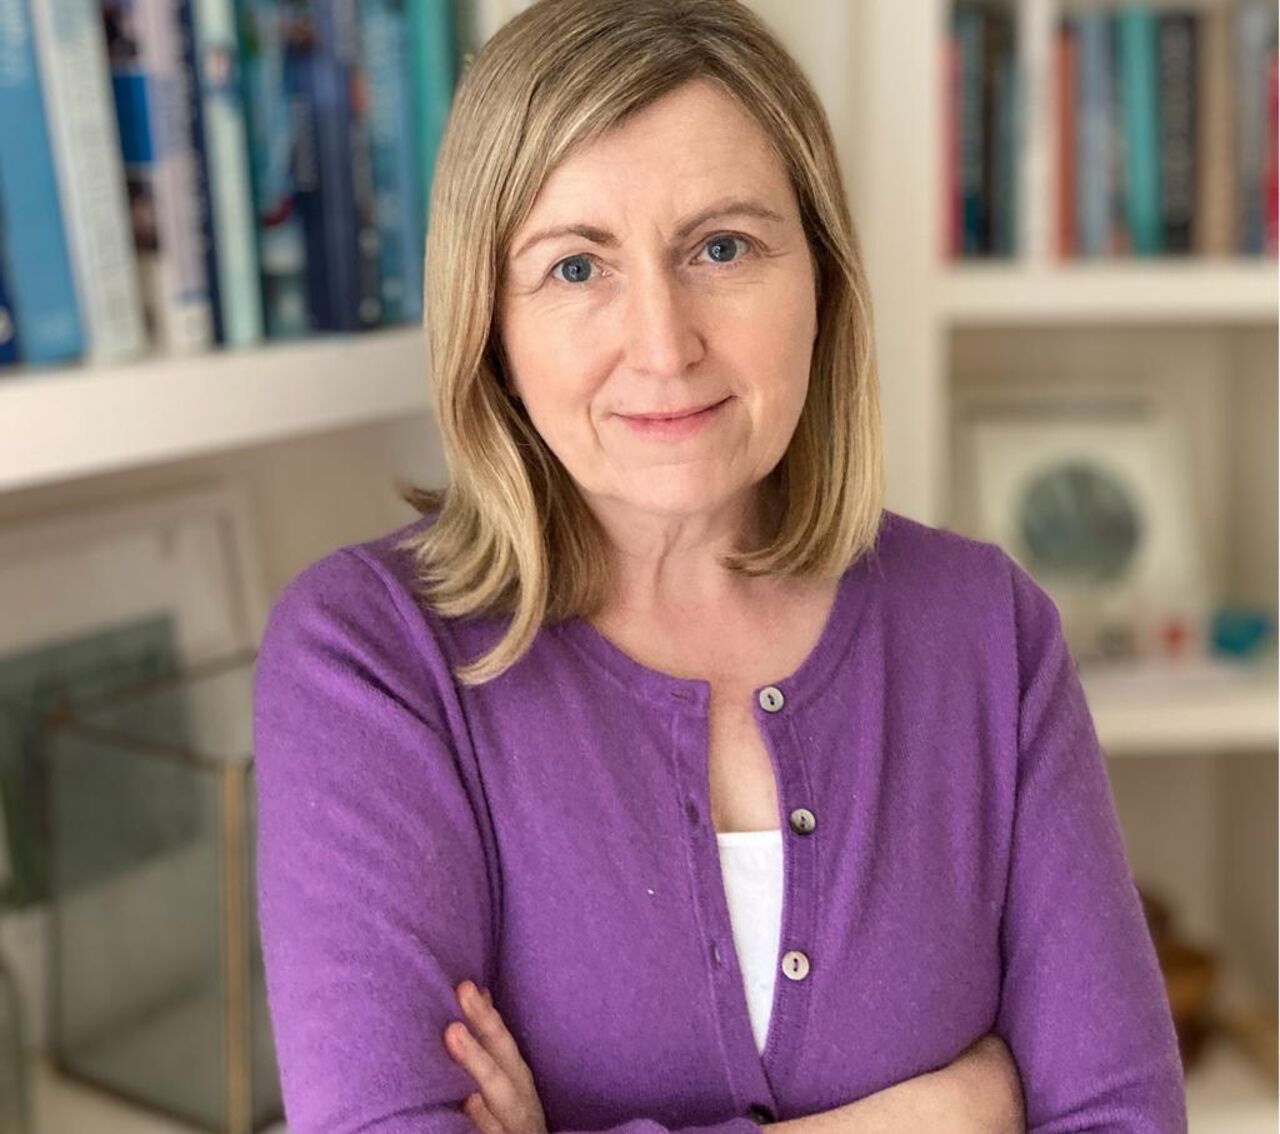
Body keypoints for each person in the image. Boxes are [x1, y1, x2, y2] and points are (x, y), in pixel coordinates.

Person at [251, 2, 1188, 1132]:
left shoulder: (987, 632)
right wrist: (937, 1116)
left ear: (821, 281)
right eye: (575, 265)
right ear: (487, 321)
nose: (662, 343)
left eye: (722, 247)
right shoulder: (370, 656)